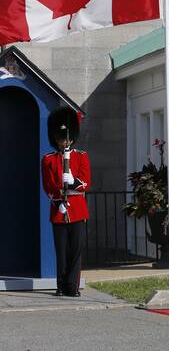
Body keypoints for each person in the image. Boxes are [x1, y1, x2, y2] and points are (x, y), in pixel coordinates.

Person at [41, 107, 91, 297]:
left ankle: (73, 286)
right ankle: (61, 285)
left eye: (67, 138)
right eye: (61, 138)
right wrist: (57, 199)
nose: (65, 142)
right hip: (58, 209)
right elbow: (47, 184)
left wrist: (74, 182)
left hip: (77, 208)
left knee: (76, 251)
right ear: (56, 139)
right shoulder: (48, 160)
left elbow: (87, 181)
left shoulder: (81, 157)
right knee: (61, 252)